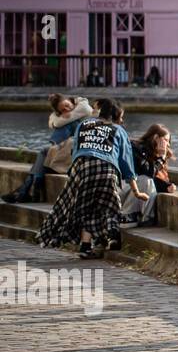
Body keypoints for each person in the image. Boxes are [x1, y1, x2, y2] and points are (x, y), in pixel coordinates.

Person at [38, 98, 144, 259]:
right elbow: (126, 162)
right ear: (115, 116)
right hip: (106, 168)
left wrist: (74, 176)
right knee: (110, 205)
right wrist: (136, 191)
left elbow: (75, 151)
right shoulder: (118, 130)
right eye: (121, 116)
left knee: (86, 208)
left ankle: (85, 246)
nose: (122, 120)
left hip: (81, 167)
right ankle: (112, 237)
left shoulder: (83, 124)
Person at [3, 94, 93, 204]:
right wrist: (56, 119)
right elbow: (52, 120)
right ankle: (26, 191)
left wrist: (59, 119)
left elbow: (57, 122)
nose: (66, 109)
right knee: (44, 153)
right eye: (63, 109)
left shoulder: (82, 105)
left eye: (66, 105)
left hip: (79, 146)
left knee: (65, 127)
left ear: (70, 100)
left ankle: (25, 191)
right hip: (68, 146)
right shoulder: (67, 112)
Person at [120, 123, 175, 227]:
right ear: (156, 138)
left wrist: (166, 186)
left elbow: (154, 178)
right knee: (146, 180)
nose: (168, 145)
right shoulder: (136, 148)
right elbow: (147, 174)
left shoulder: (153, 154)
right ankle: (140, 216)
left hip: (131, 189)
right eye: (166, 140)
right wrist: (161, 159)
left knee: (147, 181)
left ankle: (141, 217)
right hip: (123, 187)